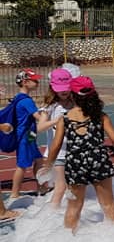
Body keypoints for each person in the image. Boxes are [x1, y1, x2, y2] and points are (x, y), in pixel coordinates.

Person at [43, 76, 114, 232]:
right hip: (98, 159)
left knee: (74, 206)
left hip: (75, 162)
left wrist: (48, 166)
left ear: (73, 95)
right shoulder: (100, 116)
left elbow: (55, 146)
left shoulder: (65, 119)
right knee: (108, 204)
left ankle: (67, 240)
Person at [35, 68, 74, 207]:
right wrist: (56, 120)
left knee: (75, 186)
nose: (64, 91)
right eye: (60, 89)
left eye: (67, 88)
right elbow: (39, 127)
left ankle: (71, 216)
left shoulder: (75, 102)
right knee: (60, 187)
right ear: (52, 87)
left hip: (75, 151)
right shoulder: (50, 105)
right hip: (58, 152)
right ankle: (52, 213)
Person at [7, 69, 44, 200]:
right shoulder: (27, 101)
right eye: (35, 80)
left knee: (39, 160)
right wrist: (50, 117)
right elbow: (38, 117)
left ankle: (41, 187)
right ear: (25, 82)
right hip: (25, 136)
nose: (38, 82)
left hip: (30, 135)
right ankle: (14, 193)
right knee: (22, 165)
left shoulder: (19, 98)